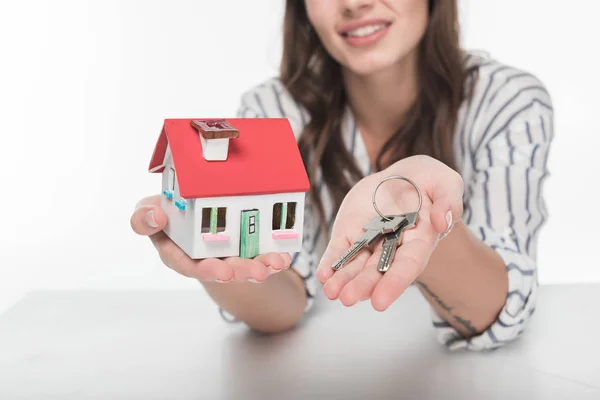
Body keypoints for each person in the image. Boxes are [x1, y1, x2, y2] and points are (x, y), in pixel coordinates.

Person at [131, 0, 553, 351]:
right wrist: (215, 262)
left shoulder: (508, 103)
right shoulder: (272, 111)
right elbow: (281, 304)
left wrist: (425, 220)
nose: (353, 3)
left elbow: (499, 308)